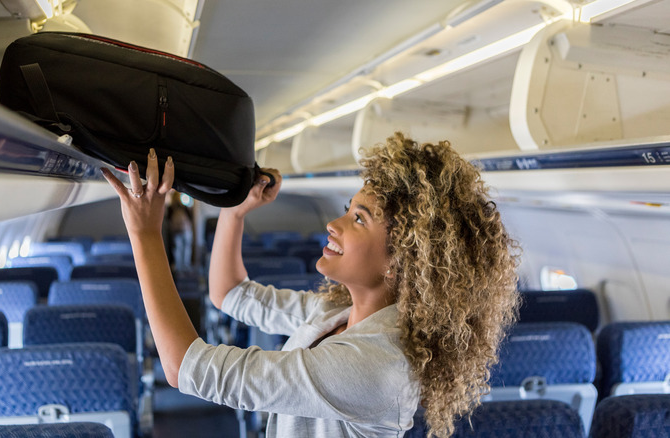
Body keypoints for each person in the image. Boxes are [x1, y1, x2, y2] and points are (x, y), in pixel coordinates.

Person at [101, 132, 520, 438]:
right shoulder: (339, 313)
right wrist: (235, 213)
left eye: (359, 219)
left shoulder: (375, 366)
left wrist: (144, 234)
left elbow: (184, 368)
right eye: (346, 210)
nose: (333, 224)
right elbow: (229, 292)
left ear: (400, 260)